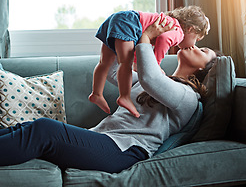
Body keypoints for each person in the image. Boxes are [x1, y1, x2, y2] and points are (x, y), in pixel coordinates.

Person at [0, 18, 217, 174]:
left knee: (44, 129)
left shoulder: (188, 97)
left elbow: (150, 79)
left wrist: (146, 38)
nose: (196, 46)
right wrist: (122, 35)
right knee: (27, 127)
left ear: (202, 69)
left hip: (123, 151)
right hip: (103, 140)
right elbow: (114, 73)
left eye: (204, 50)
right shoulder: (162, 80)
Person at [88, 6, 211, 118]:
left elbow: (138, 45)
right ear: (190, 29)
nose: (193, 46)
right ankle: (124, 97)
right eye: (196, 39)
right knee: (125, 63)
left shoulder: (167, 21)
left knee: (104, 63)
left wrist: (139, 60)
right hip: (130, 23)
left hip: (118, 18)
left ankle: (96, 93)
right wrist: (155, 63)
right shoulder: (177, 30)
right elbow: (164, 39)